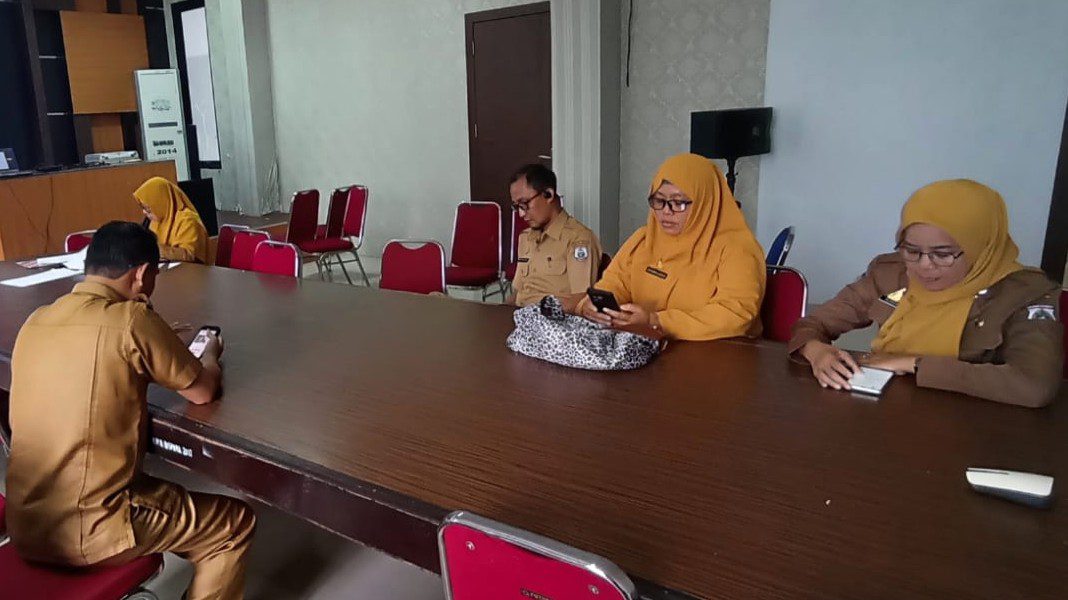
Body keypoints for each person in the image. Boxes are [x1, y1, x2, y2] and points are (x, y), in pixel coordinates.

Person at [5, 221, 255, 600]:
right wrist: (210, 355)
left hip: (26, 523)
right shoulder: (131, 321)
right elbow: (202, 391)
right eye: (153, 276)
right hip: (92, 527)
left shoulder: (35, 321)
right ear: (140, 274)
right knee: (233, 526)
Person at [789, 179, 1063, 408]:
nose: (924, 266)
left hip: (977, 427)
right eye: (911, 250)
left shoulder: (1026, 294)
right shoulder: (891, 272)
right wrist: (816, 351)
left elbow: (1033, 386)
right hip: (889, 414)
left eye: (942, 254)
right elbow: (815, 323)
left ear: (981, 247)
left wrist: (914, 364)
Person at [577, 153, 766, 340]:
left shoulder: (738, 249)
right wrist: (595, 306)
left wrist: (657, 321)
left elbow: (735, 313)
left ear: (705, 202)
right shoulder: (643, 238)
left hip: (715, 353)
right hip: (646, 347)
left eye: (678, 202)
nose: (666, 212)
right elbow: (615, 283)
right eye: (659, 201)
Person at [509, 163, 602, 309]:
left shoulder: (578, 239)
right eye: (516, 206)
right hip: (519, 315)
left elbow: (581, 300)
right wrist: (499, 311)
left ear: (549, 194)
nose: (521, 213)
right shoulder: (525, 238)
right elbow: (519, 293)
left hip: (552, 320)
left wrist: (537, 316)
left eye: (524, 204)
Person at [134, 176, 209, 263]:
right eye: (143, 208)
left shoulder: (188, 220)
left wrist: (158, 250)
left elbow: (190, 255)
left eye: (148, 209)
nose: (144, 212)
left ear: (161, 203)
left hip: (191, 269)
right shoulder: (155, 221)